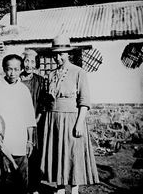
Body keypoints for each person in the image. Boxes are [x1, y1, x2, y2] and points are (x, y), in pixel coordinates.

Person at [40, 35, 99, 194]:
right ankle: (59, 188)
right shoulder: (51, 74)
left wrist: (79, 123)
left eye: (62, 54)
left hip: (72, 119)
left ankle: (73, 189)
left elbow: (84, 100)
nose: (58, 57)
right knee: (57, 154)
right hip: (53, 119)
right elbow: (46, 101)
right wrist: (48, 97)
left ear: (69, 54)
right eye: (55, 54)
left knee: (72, 154)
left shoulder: (78, 72)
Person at [0, 54, 36, 194]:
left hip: (20, 141)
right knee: (2, 178)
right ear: (3, 69)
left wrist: (30, 141)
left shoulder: (24, 90)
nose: (12, 73)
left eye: (16, 69)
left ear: (21, 69)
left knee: (21, 179)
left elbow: (29, 117)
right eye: (9, 69)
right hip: (2, 142)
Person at [20, 49, 46, 194]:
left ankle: (34, 187)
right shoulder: (16, 79)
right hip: (19, 123)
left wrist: (35, 120)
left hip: (35, 124)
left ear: (36, 64)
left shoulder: (40, 81)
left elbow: (43, 105)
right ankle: (22, 185)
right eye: (26, 61)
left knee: (34, 155)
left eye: (32, 61)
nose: (29, 64)